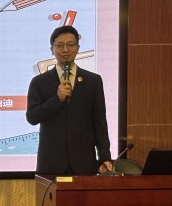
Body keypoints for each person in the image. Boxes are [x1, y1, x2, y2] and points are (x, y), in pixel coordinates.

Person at [26, 25, 113, 176]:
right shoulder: (39, 82)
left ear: (78, 48)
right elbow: (32, 117)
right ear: (52, 49)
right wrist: (57, 99)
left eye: (70, 45)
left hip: (84, 163)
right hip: (51, 163)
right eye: (59, 45)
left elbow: (99, 121)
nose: (65, 50)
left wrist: (105, 156)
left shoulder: (92, 81)